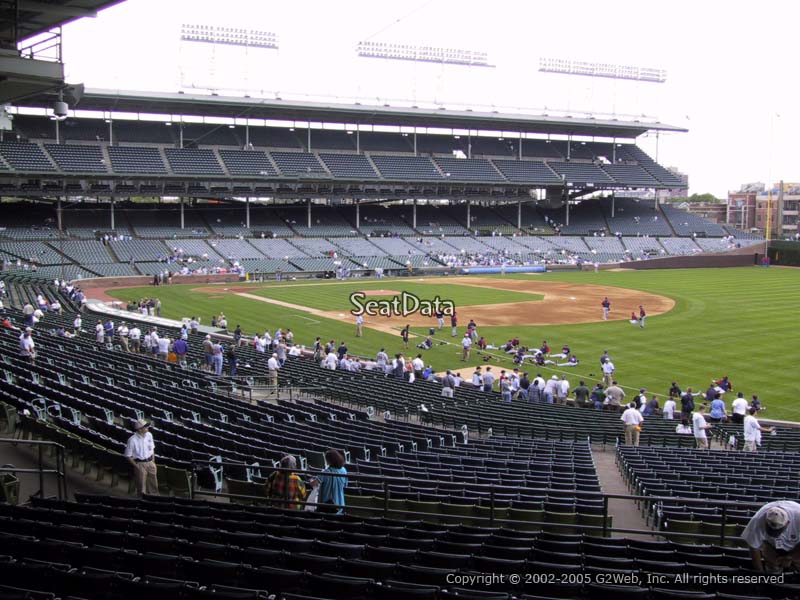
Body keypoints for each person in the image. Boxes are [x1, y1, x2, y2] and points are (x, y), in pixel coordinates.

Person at [742, 501, 800, 572]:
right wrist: (760, 573)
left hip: (797, 545)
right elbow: (754, 548)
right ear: (765, 520)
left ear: (788, 523)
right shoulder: (757, 520)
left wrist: (791, 557)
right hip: (770, 545)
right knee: (772, 569)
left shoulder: (798, 517)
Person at [125, 419, 159, 497]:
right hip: (140, 464)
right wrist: (137, 466)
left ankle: (155, 499)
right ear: (140, 429)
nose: (148, 427)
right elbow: (128, 456)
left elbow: (152, 449)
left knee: (154, 485)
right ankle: (142, 501)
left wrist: (153, 461)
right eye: (145, 426)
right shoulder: (132, 440)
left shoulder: (149, 435)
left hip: (150, 462)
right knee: (141, 487)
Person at [316, 448, 347, 514]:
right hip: (341, 504)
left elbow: (314, 484)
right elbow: (345, 485)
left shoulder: (325, 472)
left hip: (328, 507)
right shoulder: (344, 470)